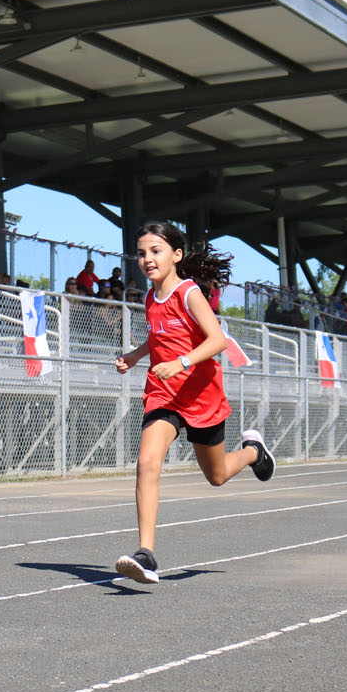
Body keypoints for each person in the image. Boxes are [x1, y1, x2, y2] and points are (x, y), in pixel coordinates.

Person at [112, 220, 275, 585]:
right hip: (164, 392)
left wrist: (182, 362)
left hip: (200, 393)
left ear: (176, 254)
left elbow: (218, 340)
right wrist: (138, 355)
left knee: (216, 476)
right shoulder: (149, 298)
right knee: (147, 462)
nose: (147, 259)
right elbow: (159, 339)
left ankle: (253, 452)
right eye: (141, 253)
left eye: (155, 251)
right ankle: (146, 554)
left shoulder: (188, 293)